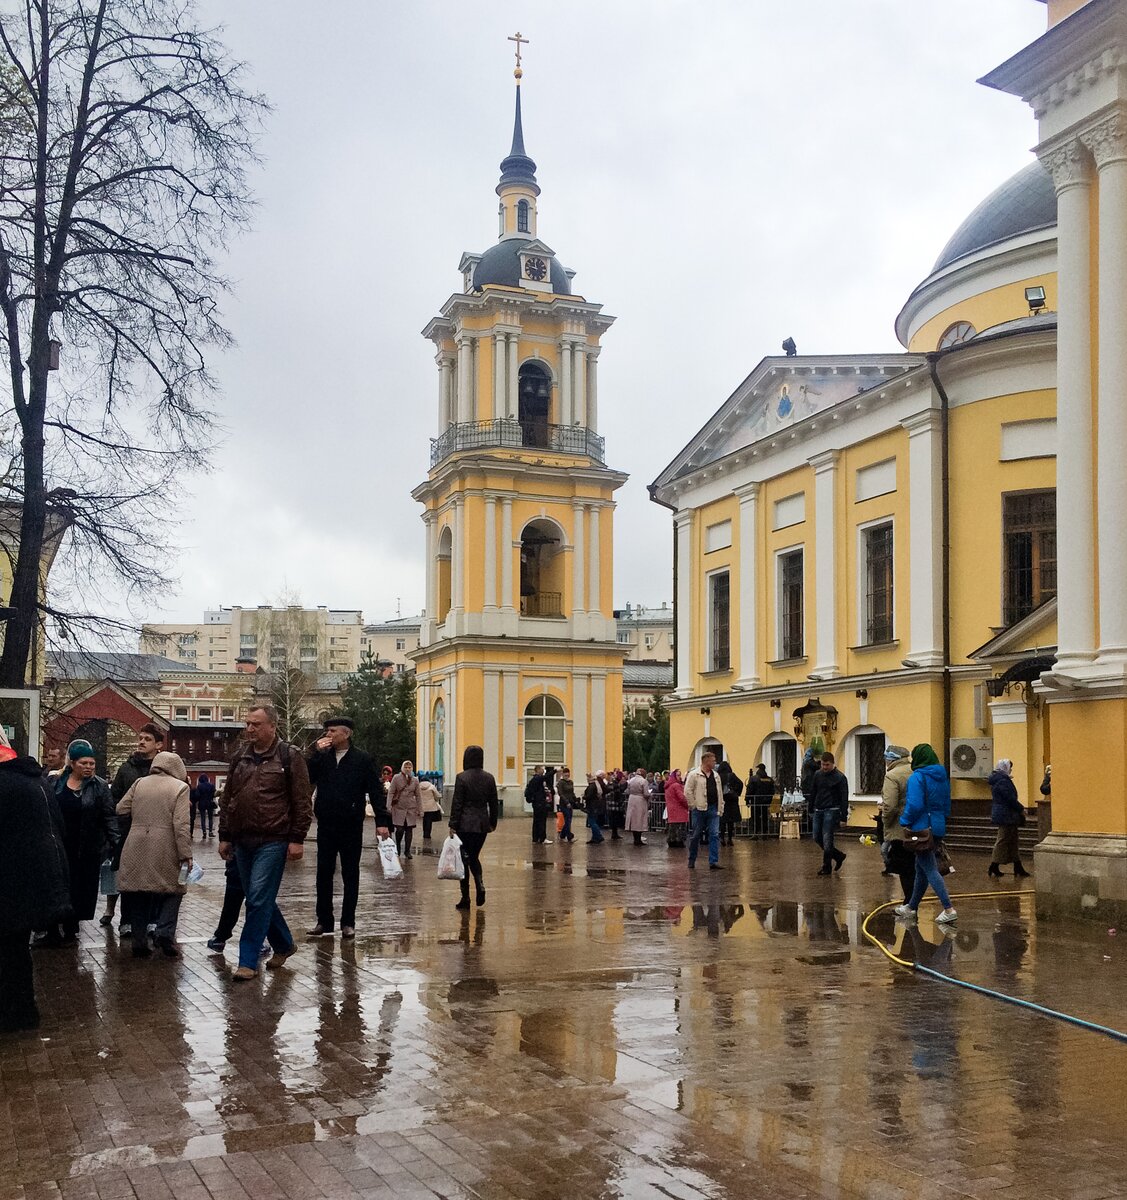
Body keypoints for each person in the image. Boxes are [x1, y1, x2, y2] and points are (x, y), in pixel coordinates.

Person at [218, 704, 313, 980]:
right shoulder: (240, 757)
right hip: (241, 839)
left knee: (257, 899)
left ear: (272, 726)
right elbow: (228, 800)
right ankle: (284, 943)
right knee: (259, 898)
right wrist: (225, 836)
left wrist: (297, 839)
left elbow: (301, 801)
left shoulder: (289, 756)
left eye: (256, 724)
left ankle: (247, 961)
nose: (249, 729)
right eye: (247, 723)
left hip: (274, 839)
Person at [0, 745, 70, 1031]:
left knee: (8, 951)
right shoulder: (37, 781)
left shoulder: (6, 785)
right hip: (33, 878)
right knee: (15, 949)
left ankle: (12, 1016)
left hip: (10, 879)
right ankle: (23, 1014)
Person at [306, 716, 389, 939]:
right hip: (326, 823)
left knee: (350, 874)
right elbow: (308, 777)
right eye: (327, 732)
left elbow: (375, 790)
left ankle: (348, 922)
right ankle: (324, 920)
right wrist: (315, 753)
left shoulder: (362, 759)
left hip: (351, 824)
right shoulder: (323, 758)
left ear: (347, 734)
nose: (328, 735)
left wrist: (382, 822)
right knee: (323, 872)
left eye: (333, 731)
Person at [115, 751, 192, 959]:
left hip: (136, 842)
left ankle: (139, 942)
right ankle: (164, 933)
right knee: (174, 889)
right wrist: (186, 854)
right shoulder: (180, 788)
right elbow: (181, 826)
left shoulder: (140, 783)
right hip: (166, 844)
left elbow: (121, 808)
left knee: (140, 891)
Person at [43, 740, 117, 946]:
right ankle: (51, 931)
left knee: (78, 889)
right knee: (55, 887)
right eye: (84, 763)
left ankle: (70, 931)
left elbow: (108, 816)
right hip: (58, 846)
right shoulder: (54, 783)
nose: (89, 767)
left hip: (85, 848)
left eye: (92, 763)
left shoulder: (99, 786)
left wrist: (115, 843)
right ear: (72, 763)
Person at [105, 724, 165, 934]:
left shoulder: (165, 769)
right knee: (129, 876)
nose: (141, 742)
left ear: (158, 745)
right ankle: (127, 921)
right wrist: (117, 829)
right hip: (129, 831)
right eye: (140, 738)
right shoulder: (126, 768)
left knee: (155, 876)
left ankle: (153, 921)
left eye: (147, 739)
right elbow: (114, 801)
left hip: (158, 831)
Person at [895, 743, 958, 925]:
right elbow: (947, 803)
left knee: (929, 868)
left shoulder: (918, 777)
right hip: (937, 826)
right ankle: (911, 907)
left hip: (921, 828)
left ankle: (948, 908)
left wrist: (904, 820)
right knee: (920, 868)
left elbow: (914, 804)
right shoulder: (941, 777)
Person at [449, 745, 499, 910]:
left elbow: (457, 803)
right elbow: (493, 803)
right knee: (474, 857)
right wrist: (492, 822)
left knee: (463, 860)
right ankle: (480, 884)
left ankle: (465, 898)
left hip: (464, 825)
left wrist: (453, 825)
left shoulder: (462, 777)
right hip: (482, 825)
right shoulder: (489, 778)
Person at [879, 745, 915, 902]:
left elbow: (890, 805)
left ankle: (909, 901)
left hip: (899, 828)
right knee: (915, 866)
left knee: (904, 867)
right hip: (918, 825)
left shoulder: (892, 776)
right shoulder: (915, 771)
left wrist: (885, 821)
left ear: (891, 759)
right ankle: (913, 900)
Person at [988, 759, 1030, 879]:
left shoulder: (1000, 780)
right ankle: (994, 865)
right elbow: (1010, 799)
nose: (1011, 769)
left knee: (1012, 840)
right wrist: (1021, 808)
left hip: (1007, 815)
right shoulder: (1002, 781)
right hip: (1006, 815)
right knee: (1003, 839)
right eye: (1010, 767)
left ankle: (1017, 866)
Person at [810, 751, 849, 876]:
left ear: (833, 764)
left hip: (832, 810)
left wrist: (843, 816)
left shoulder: (840, 778)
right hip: (818, 809)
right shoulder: (817, 775)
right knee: (816, 837)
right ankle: (838, 855)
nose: (824, 767)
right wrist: (810, 807)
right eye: (823, 764)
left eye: (827, 765)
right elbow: (813, 792)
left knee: (827, 839)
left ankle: (826, 867)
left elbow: (844, 798)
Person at [685, 752, 722, 870]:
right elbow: (687, 791)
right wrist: (693, 805)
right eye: (713, 760)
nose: (715, 763)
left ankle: (713, 861)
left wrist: (720, 806)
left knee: (714, 834)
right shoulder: (694, 774)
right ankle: (692, 859)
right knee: (696, 835)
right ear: (706, 761)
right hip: (699, 809)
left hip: (713, 808)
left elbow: (719, 792)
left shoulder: (716, 775)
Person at [388, 760, 421, 859]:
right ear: (402, 768)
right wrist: (388, 806)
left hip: (411, 808)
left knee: (409, 830)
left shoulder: (415, 780)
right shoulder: (396, 778)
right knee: (400, 829)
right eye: (406, 767)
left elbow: (418, 795)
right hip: (399, 808)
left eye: (409, 767)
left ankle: (407, 851)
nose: (407, 769)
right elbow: (391, 792)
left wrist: (421, 809)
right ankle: (397, 846)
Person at [526, 765, 552, 845]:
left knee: (536, 821)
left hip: (536, 803)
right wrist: (554, 771)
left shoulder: (534, 779)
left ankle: (535, 838)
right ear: (537, 770)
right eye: (542, 769)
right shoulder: (537, 778)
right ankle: (542, 838)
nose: (543, 770)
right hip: (540, 803)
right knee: (542, 821)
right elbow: (546, 776)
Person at [718, 760, 743, 846]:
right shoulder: (732, 775)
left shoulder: (718, 776)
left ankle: (721, 837)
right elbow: (740, 783)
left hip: (722, 800)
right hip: (732, 801)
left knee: (722, 820)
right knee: (730, 821)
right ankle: (729, 838)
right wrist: (736, 793)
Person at [748, 764, 775, 838]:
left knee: (755, 818)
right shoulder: (769, 779)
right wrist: (769, 800)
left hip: (755, 801)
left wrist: (747, 800)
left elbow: (749, 790)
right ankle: (764, 833)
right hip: (765, 802)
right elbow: (772, 791)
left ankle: (755, 833)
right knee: (765, 817)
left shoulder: (753, 779)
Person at [664, 768, 688, 847]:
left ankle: (672, 841)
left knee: (672, 828)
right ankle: (679, 842)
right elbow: (681, 798)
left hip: (671, 810)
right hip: (680, 810)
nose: (680, 777)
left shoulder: (668, 786)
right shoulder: (676, 785)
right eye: (678, 775)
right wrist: (688, 805)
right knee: (680, 829)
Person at [625, 768, 649, 846]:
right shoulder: (644, 781)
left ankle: (635, 839)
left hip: (631, 800)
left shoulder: (631, 780)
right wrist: (650, 795)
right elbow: (646, 793)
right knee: (639, 819)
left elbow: (627, 791)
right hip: (640, 800)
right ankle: (638, 839)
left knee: (633, 819)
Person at [584, 772, 608, 843]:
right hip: (596, 806)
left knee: (592, 822)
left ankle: (599, 836)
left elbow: (589, 796)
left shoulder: (591, 786)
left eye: (588, 778)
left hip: (592, 806)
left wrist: (584, 797)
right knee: (594, 821)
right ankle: (594, 838)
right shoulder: (596, 785)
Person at [192, 772, 216, 839]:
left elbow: (197, 795)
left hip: (202, 803)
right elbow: (214, 794)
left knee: (203, 818)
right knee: (210, 818)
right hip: (210, 802)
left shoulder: (199, 786)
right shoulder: (211, 785)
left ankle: (204, 832)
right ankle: (210, 832)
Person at [556, 767, 576, 842]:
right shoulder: (560, 783)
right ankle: (569, 836)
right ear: (563, 774)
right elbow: (560, 793)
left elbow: (572, 792)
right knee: (567, 819)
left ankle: (562, 835)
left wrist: (575, 800)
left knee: (569, 819)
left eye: (568, 775)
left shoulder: (571, 782)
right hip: (564, 803)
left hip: (571, 802)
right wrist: (566, 802)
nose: (567, 776)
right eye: (565, 775)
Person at [419, 776, 443, 841]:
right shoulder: (432, 786)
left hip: (422, 806)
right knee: (429, 821)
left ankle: (424, 833)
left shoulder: (418, 787)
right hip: (431, 806)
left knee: (424, 820)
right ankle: (428, 834)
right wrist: (435, 799)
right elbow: (437, 795)